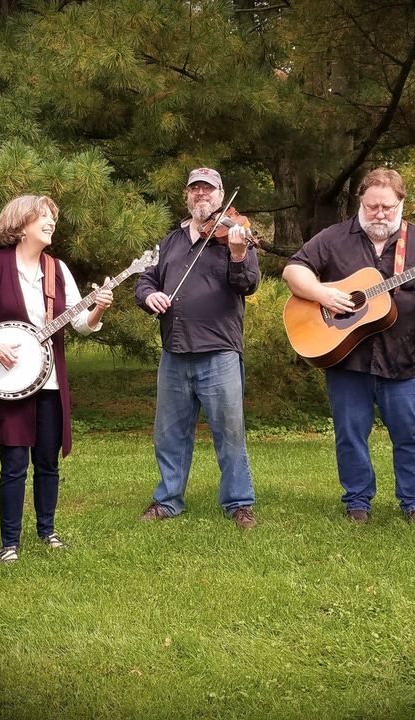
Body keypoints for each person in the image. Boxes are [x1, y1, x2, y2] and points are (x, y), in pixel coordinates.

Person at [283, 167, 415, 525]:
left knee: (410, 435)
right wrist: (324, 294)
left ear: (401, 204)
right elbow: (293, 270)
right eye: (371, 207)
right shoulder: (334, 238)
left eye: (387, 207)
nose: (379, 214)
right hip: (347, 361)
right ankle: (357, 502)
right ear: (360, 202)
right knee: (350, 435)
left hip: (402, 360)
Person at [0, 195, 112, 563]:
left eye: (54, 217)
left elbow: (81, 325)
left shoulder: (57, 270)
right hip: (8, 383)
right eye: (43, 217)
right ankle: (9, 543)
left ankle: (47, 531)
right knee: (15, 463)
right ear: (21, 225)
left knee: (48, 462)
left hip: (50, 383)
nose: (52, 222)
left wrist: (97, 306)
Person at [134, 168, 259, 529]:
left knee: (229, 432)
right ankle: (168, 500)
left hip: (219, 352)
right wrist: (149, 295)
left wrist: (237, 255)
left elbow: (247, 284)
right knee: (169, 434)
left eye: (209, 189)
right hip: (174, 352)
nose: (201, 194)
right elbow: (145, 279)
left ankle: (239, 503)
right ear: (187, 196)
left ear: (221, 196)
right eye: (195, 189)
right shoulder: (171, 241)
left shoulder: (237, 237)